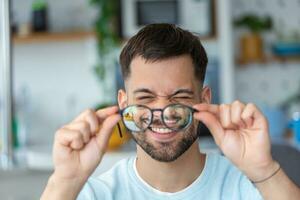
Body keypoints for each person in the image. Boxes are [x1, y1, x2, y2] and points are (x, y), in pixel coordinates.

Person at [41, 24, 300, 200]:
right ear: (123, 102)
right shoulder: (95, 194)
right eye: (145, 97)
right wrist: (64, 181)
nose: (162, 111)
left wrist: (265, 170)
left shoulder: (246, 187)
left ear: (204, 98)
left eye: (180, 96)